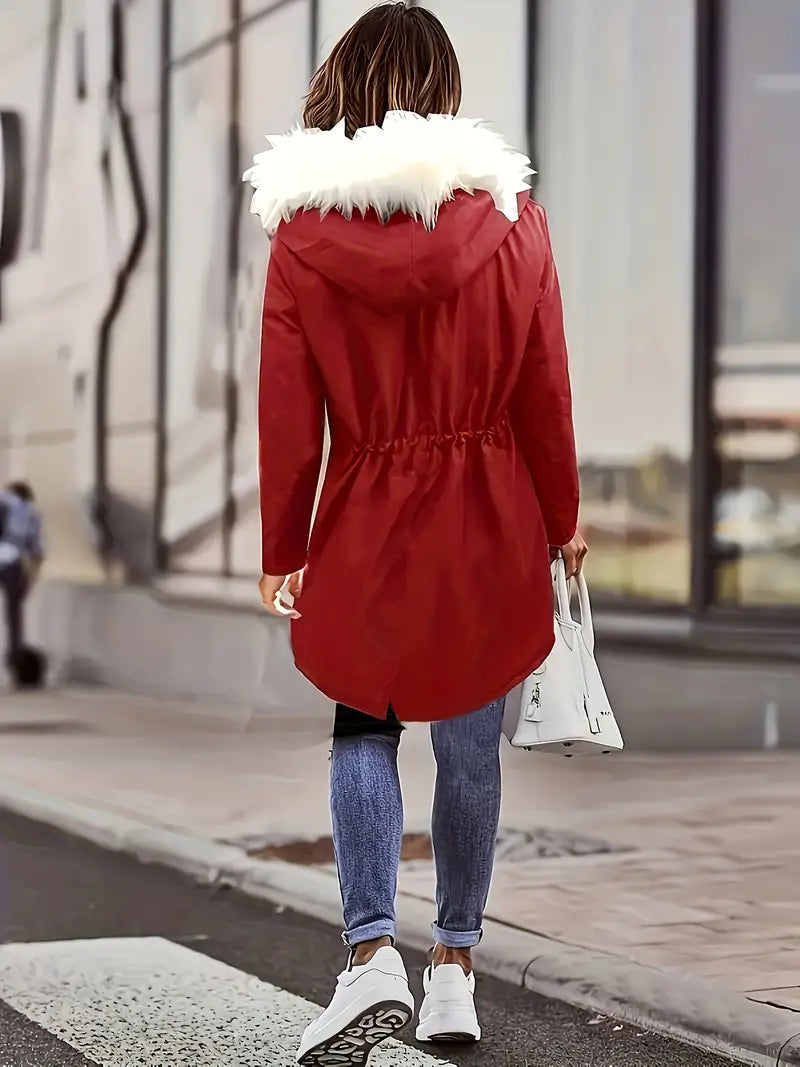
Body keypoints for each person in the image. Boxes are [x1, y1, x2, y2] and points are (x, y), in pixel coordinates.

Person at [244, 4, 586, 1062]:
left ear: (340, 89)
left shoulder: (302, 238)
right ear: (443, 92)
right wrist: (562, 518)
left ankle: (366, 958)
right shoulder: (513, 220)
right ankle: (454, 972)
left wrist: (282, 543)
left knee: (364, 723)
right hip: (489, 505)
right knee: (468, 740)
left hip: (366, 505)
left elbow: (287, 406)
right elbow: (543, 384)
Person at [0, 481, 45, 678]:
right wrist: (31, 579)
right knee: (14, 615)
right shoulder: (31, 513)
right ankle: (15, 660)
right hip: (13, 564)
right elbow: (36, 550)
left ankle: (16, 658)